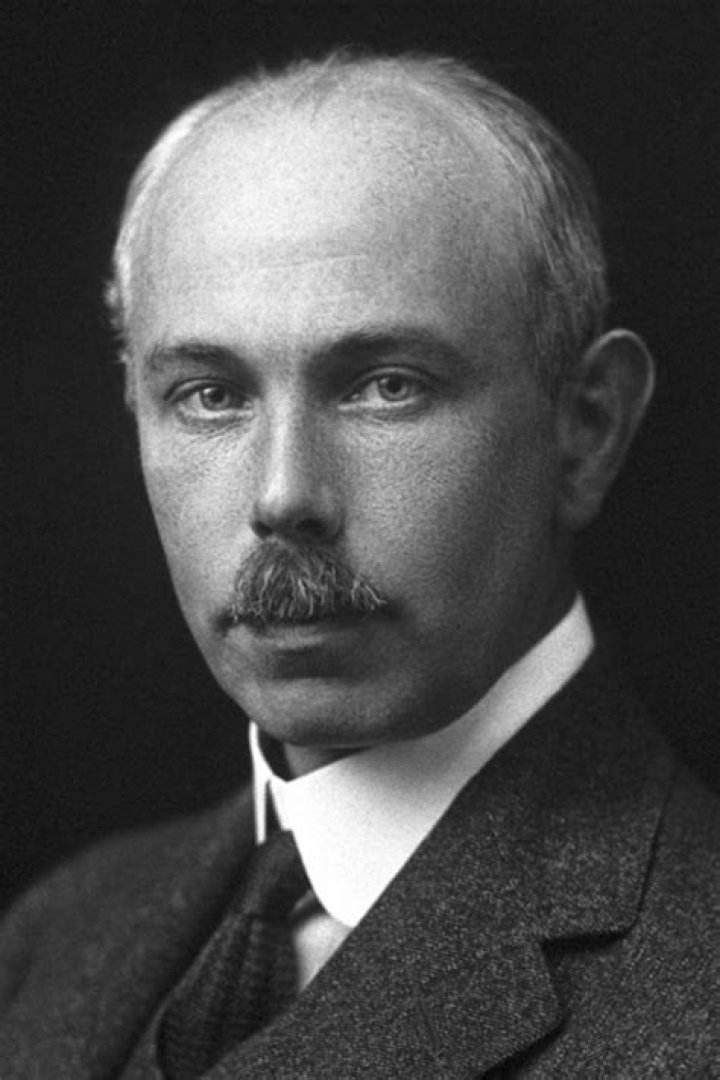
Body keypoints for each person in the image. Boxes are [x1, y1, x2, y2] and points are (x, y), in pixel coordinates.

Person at [1, 50, 718, 1078]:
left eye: (386, 385)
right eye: (210, 395)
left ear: (587, 429)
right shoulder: (56, 935)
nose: (283, 495)